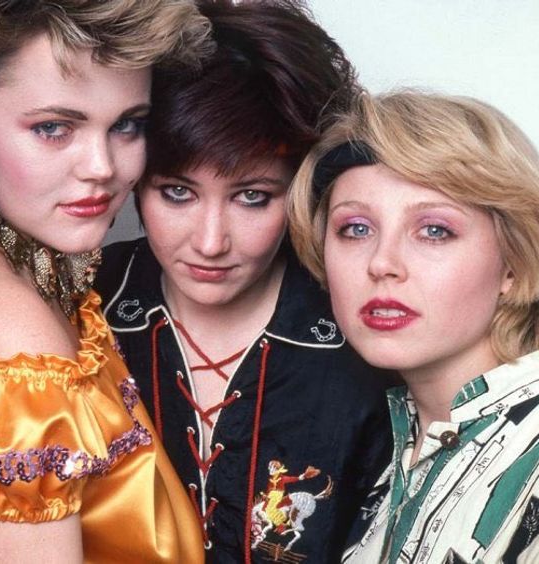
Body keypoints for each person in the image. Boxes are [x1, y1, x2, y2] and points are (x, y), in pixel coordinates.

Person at [0, 1, 213, 562]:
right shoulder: (12, 354)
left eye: (127, 124)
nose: (102, 166)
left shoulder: (6, 273)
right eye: (54, 128)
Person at [93, 3, 393, 562]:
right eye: (177, 193)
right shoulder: (82, 308)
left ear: (302, 189)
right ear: (135, 179)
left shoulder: (367, 332)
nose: (211, 242)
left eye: (252, 197)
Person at [288, 91, 539, 562]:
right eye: (356, 228)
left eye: (435, 230)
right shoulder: (390, 443)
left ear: (513, 264)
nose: (382, 263)